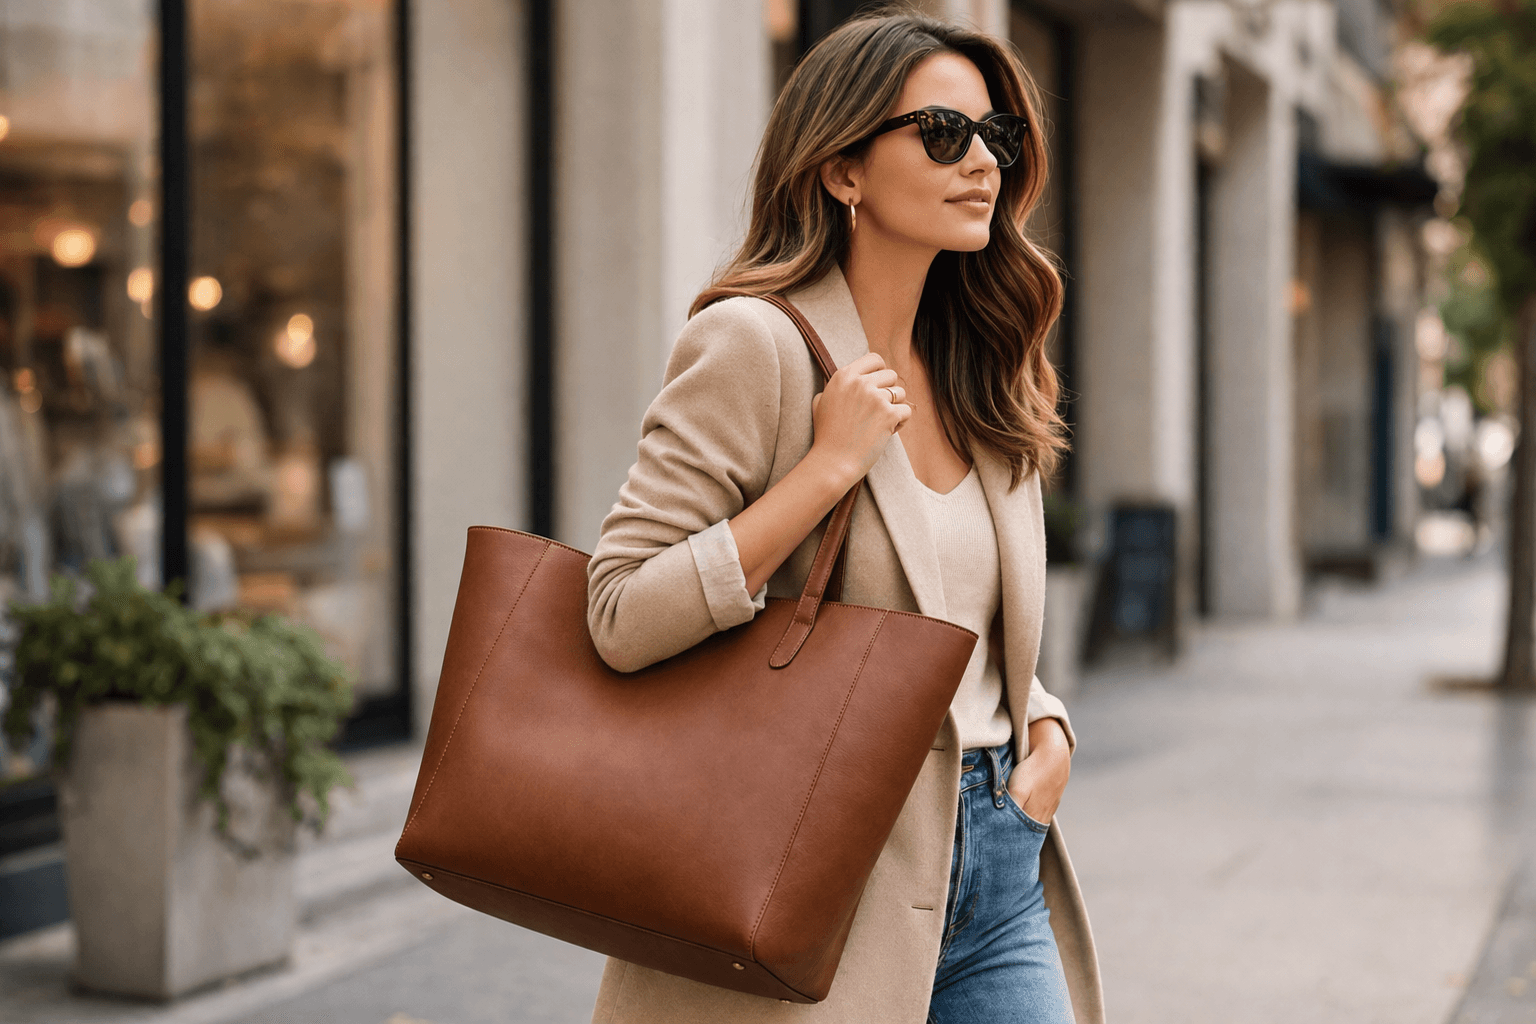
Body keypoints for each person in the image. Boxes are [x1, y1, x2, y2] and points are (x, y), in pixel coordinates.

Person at [585, 12, 1100, 1024]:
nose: (982, 163)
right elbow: (619, 613)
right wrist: (824, 471)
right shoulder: (754, 346)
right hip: (821, 866)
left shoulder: (981, 368)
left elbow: (955, 610)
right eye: (943, 133)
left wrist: (1045, 725)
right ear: (842, 170)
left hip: (998, 856)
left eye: (996, 136)